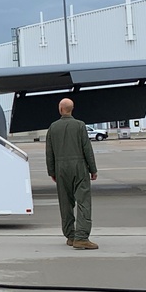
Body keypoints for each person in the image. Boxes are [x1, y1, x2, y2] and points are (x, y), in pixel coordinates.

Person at [46, 98, 99, 249]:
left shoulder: (53, 127)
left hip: (60, 168)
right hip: (79, 166)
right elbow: (87, 149)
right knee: (83, 202)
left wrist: (52, 171)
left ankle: (70, 235)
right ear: (72, 109)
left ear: (60, 109)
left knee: (65, 203)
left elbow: (49, 152)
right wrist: (93, 169)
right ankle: (81, 237)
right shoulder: (80, 126)